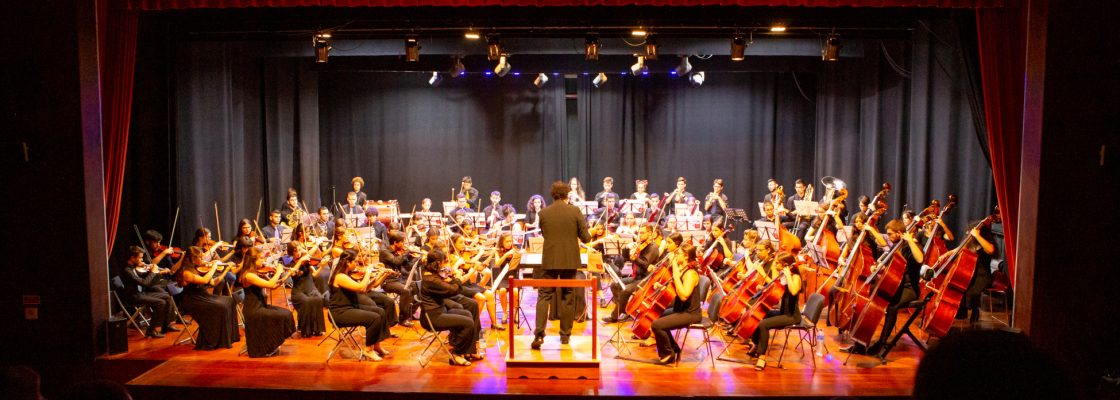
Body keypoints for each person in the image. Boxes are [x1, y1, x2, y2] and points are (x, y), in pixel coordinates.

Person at [846, 218, 924, 355]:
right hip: (895, 285)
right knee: (868, 297)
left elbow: (920, 259)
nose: (888, 237)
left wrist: (910, 240)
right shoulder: (897, 246)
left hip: (909, 288)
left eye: (890, 234)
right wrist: (878, 268)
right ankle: (860, 342)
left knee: (892, 306)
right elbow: (892, 269)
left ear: (900, 233)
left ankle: (881, 344)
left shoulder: (912, 246)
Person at [532, 181, 591, 350]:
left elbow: (545, 234)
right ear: (567, 195)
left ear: (553, 195)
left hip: (550, 260)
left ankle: (539, 335)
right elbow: (586, 238)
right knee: (567, 296)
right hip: (569, 260)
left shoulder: (543, 213)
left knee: (544, 296)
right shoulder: (575, 210)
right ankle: (565, 336)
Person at [419, 249, 482, 366]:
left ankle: (469, 351)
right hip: (433, 317)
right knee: (467, 322)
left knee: (467, 314)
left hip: (440, 311)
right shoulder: (431, 280)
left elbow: (448, 282)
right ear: (437, 264)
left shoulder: (432, 275)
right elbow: (453, 290)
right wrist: (457, 277)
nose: (444, 265)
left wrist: (452, 277)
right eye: (444, 262)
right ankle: (456, 353)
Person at [328, 249, 390, 361]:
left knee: (380, 311)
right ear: (348, 262)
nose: (357, 264)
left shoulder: (348, 274)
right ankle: (368, 350)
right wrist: (368, 273)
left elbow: (364, 289)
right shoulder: (340, 277)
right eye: (355, 262)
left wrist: (381, 275)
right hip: (339, 312)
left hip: (350, 307)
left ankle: (377, 345)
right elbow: (360, 288)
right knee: (374, 318)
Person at [746, 252, 802, 371]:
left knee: (763, 324)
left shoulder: (795, 277)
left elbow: (793, 291)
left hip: (792, 315)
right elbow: (776, 290)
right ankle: (756, 344)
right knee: (758, 314)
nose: (775, 265)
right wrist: (764, 288)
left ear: (785, 265)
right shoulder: (783, 276)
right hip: (783, 312)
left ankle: (762, 357)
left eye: (777, 263)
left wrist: (788, 276)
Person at [177, 247, 239, 350]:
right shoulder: (186, 272)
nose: (203, 260)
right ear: (192, 258)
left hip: (203, 296)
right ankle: (216, 340)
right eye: (200, 258)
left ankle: (230, 336)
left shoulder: (196, 269)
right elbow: (205, 280)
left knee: (229, 300)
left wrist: (226, 270)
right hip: (193, 300)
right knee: (221, 307)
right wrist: (214, 267)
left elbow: (214, 282)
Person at [650, 242, 702, 365]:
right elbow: (677, 290)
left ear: (686, 256)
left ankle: (668, 355)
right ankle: (674, 349)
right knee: (658, 317)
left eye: (677, 254)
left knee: (657, 325)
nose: (675, 256)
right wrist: (663, 287)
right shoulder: (683, 269)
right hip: (681, 309)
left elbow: (684, 296)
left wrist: (675, 273)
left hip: (690, 313)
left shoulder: (691, 274)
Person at [238, 247, 296, 357]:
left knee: (286, 313)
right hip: (254, 310)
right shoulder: (249, 275)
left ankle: (270, 344)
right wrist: (278, 271)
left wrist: (287, 275)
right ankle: (267, 345)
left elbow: (273, 285)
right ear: (253, 260)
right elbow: (269, 284)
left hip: (261, 306)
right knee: (280, 316)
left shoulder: (256, 272)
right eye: (261, 259)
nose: (264, 261)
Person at [119, 245, 178, 338]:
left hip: (140, 293)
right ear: (132, 258)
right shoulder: (127, 270)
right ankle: (151, 330)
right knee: (160, 303)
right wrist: (153, 272)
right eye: (140, 258)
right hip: (133, 296)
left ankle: (166, 325)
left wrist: (152, 270)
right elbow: (144, 283)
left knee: (167, 296)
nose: (142, 260)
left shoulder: (133, 266)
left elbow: (142, 276)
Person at [285, 227, 326, 337]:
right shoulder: (290, 265)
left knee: (318, 299)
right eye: (296, 251)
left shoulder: (306, 261)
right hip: (298, 292)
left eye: (299, 250)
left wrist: (321, 267)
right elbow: (293, 274)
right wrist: (300, 262)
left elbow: (314, 275)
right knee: (306, 302)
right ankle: (305, 330)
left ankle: (317, 329)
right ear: (291, 253)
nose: (299, 253)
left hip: (310, 288)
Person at [379, 231, 418, 327]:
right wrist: (406, 253)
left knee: (419, 287)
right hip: (388, 281)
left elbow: (408, 266)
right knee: (405, 290)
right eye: (402, 242)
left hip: (400, 279)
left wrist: (415, 258)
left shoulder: (399, 252)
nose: (404, 245)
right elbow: (396, 261)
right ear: (395, 243)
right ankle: (403, 318)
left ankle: (410, 313)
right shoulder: (385, 252)